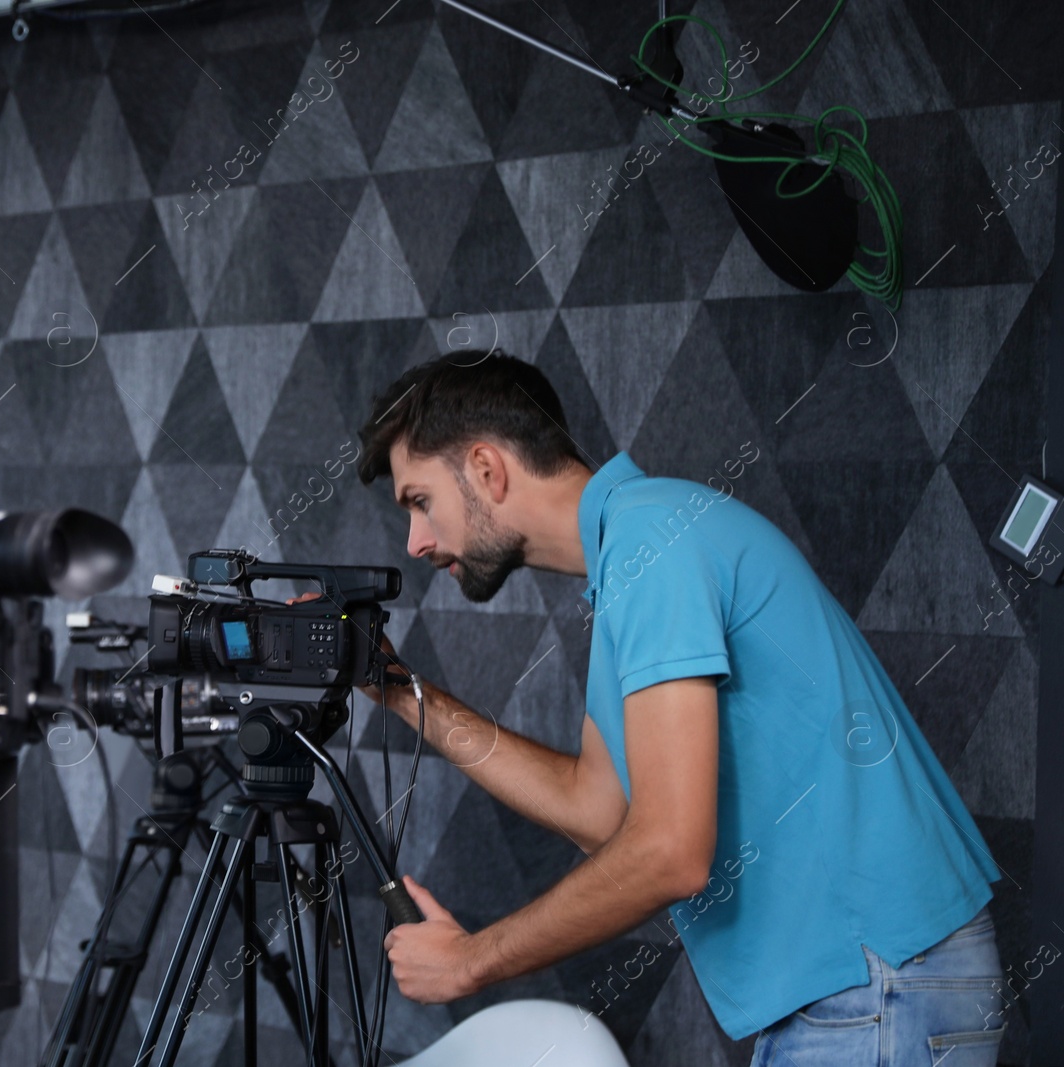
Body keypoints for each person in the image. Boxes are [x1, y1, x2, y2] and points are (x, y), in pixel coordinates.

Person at [312, 351, 1007, 1066]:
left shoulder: (653, 545)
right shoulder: (637, 550)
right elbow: (597, 810)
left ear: (487, 469)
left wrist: (468, 961)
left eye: (419, 500)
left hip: (875, 990)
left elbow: (670, 853)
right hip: (868, 990)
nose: (416, 541)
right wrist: (399, 691)